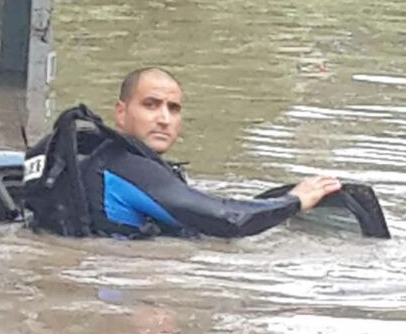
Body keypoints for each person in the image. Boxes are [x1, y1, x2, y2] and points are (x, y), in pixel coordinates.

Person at [99, 67, 342, 238]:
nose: (164, 119)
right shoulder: (131, 169)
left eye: (173, 109)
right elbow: (228, 220)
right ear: (121, 112)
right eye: (150, 105)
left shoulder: (105, 159)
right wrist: (294, 201)